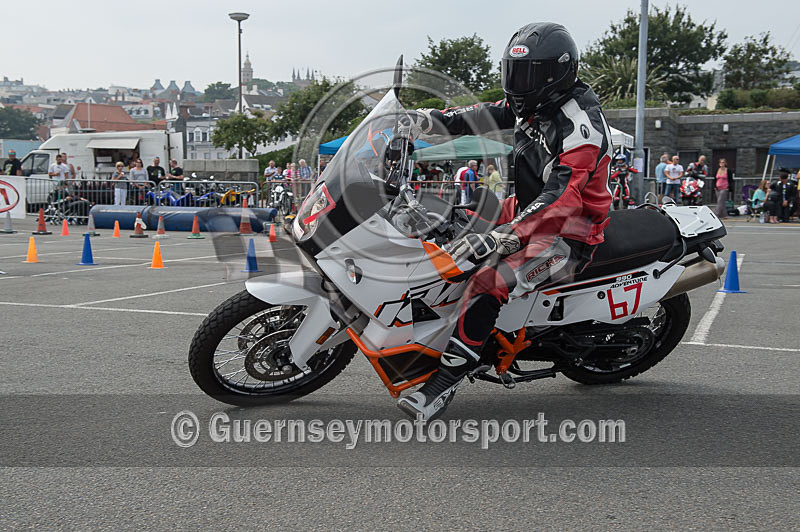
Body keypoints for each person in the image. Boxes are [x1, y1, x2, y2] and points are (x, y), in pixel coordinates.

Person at [398, 22, 613, 420]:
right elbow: (482, 114)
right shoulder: (530, 104)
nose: (518, 84)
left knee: (487, 281)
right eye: (514, 72)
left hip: (570, 230)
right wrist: (428, 121)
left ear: (558, 74)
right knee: (448, 219)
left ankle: (443, 383)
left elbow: (561, 199)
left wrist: (505, 237)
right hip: (528, 207)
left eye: (529, 74)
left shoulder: (579, 129)